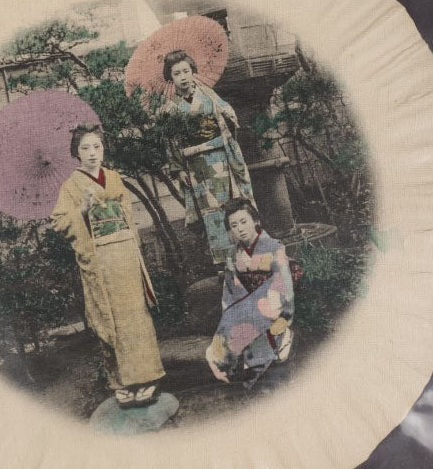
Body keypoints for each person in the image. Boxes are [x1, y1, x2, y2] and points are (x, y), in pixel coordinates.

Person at [51, 124, 165, 408]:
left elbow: (126, 214)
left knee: (136, 314)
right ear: (76, 153)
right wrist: (83, 210)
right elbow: (60, 222)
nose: (92, 153)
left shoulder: (114, 177)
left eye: (97, 147)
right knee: (109, 316)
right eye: (85, 148)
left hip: (125, 252)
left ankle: (148, 377)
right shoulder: (71, 186)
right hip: (100, 259)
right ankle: (121, 381)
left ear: (103, 149)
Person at [163, 49, 256, 265]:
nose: (183, 77)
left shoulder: (209, 96)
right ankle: (223, 261)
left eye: (186, 71)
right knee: (210, 213)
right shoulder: (169, 108)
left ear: (193, 71)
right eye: (177, 73)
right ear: (171, 77)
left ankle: (245, 252)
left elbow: (229, 117)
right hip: (196, 167)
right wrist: (178, 170)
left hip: (221, 158)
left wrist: (228, 116)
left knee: (232, 205)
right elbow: (169, 142)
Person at [205, 199, 294, 387]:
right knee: (227, 335)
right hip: (247, 303)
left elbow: (282, 284)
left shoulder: (273, 247)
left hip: (270, 301)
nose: (240, 229)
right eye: (234, 225)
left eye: (244, 222)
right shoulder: (233, 255)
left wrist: (272, 309)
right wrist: (231, 311)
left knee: (256, 340)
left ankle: (282, 335)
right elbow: (230, 288)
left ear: (255, 220)